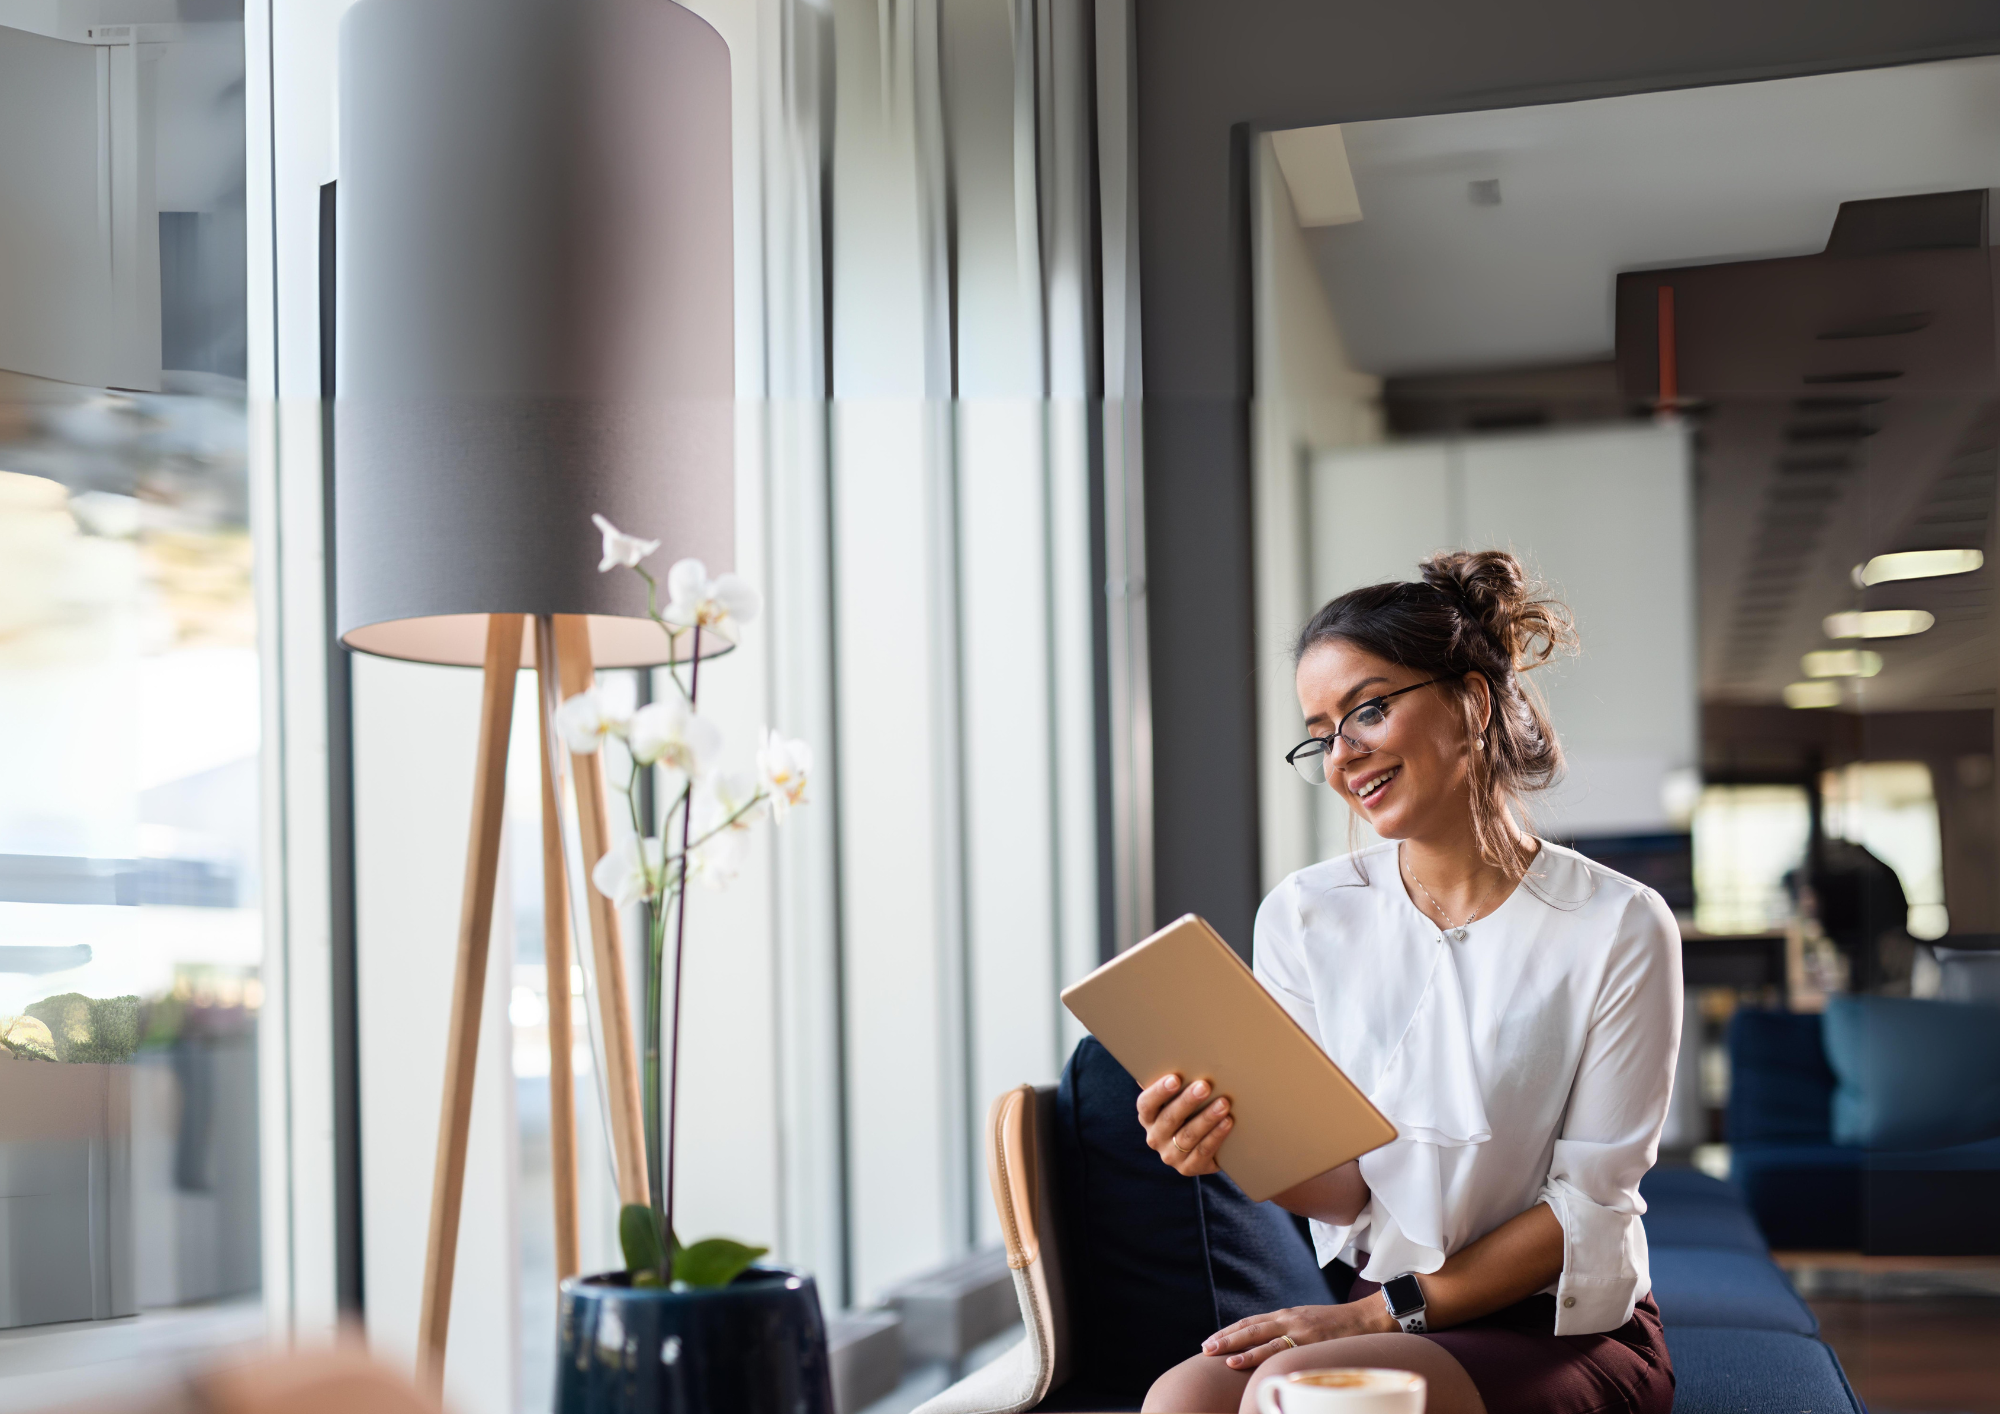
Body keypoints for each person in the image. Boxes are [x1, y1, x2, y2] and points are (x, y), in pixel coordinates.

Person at [1139, 551, 1680, 1414]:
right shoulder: (1306, 914)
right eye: (1320, 733)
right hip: (1388, 1305)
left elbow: (1589, 1207)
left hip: (1559, 1323)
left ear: (1471, 701)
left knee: (1304, 1392)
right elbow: (1346, 1188)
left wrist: (1373, 1319)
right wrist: (1230, 1144)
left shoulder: (1617, 922)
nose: (1342, 756)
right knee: (1181, 1400)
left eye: (1369, 710)